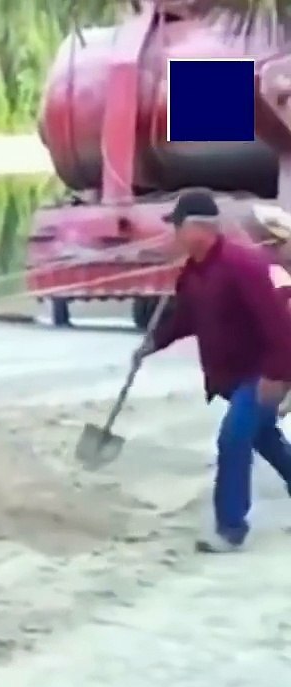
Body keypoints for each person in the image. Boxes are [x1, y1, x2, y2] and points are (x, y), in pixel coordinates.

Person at [134, 189, 291, 552]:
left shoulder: (242, 266)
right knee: (263, 436)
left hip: (260, 372)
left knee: (234, 437)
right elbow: (185, 319)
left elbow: (278, 327)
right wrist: (152, 344)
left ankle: (230, 527)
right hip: (230, 377)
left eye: (176, 226)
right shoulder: (191, 274)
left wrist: (278, 374)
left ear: (195, 229)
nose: (174, 234)